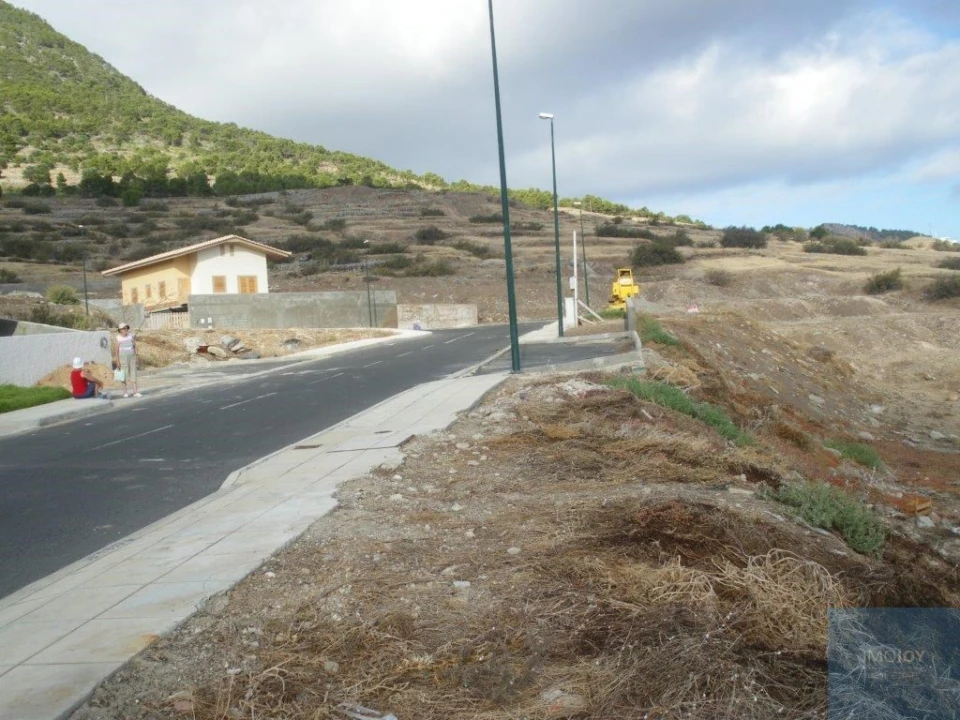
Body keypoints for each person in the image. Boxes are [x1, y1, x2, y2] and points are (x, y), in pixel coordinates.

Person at [114, 322, 142, 397]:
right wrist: (117, 361)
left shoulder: (130, 336)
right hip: (123, 357)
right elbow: (116, 351)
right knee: (124, 373)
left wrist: (136, 353)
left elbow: (134, 345)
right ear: (120, 330)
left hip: (131, 356)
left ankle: (135, 391)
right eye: (124, 328)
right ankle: (125, 392)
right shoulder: (118, 338)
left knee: (133, 372)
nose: (125, 329)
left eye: (126, 328)